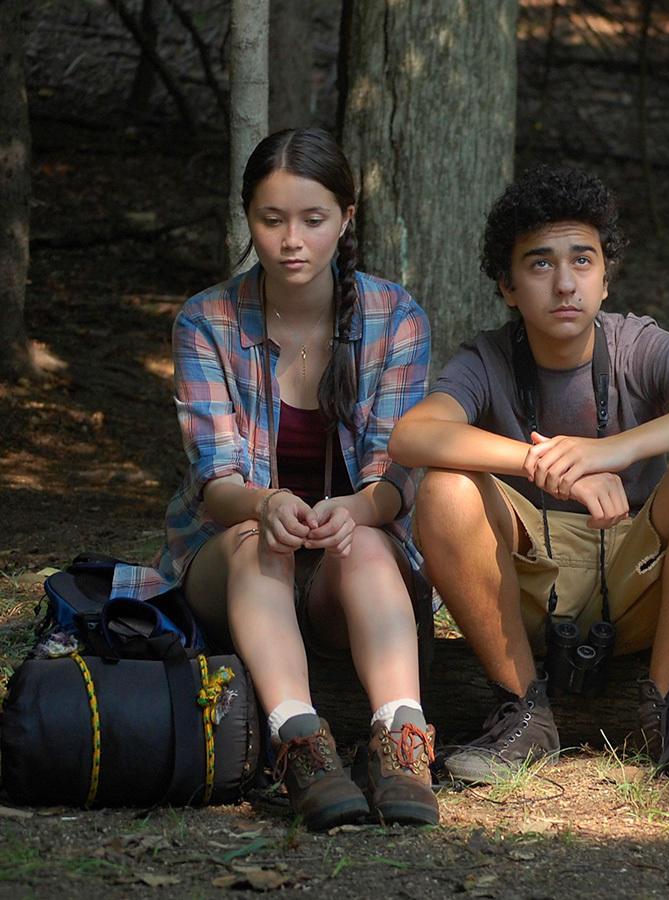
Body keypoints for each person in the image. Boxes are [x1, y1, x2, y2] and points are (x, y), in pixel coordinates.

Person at [390, 163, 669, 787]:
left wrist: (613, 450)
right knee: (445, 486)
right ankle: (524, 711)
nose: (565, 283)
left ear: (606, 277)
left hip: (639, 577)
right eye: (539, 264)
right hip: (532, 586)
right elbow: (413, 434)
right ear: (508, 286)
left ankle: (668, 710)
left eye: (583, 261)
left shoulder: (636, 345)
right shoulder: (488, 357)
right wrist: (549, 464)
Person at [114, 128, 436, 828]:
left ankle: (402, 736)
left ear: (346, 219)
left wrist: (355, 507)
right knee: (257, 539)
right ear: (249, 220)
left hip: (344, 567)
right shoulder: (208, 320)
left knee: (368, 543)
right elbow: (214, 479)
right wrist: (267, 503)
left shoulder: (394, 318)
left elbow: (397, 477)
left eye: (313, 220)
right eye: (272, 219)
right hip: (231, 558)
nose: (293, 239)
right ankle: (300, 740)